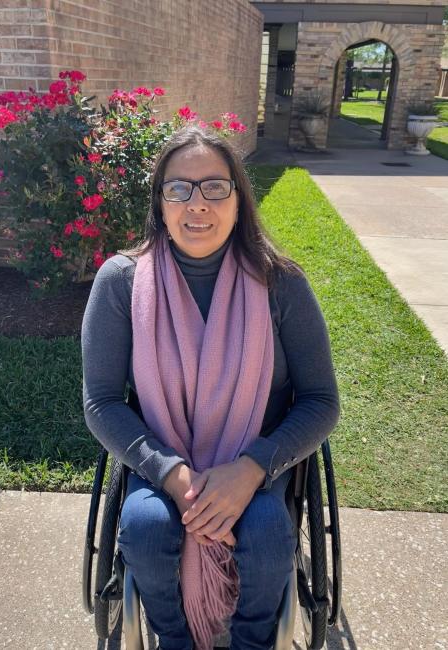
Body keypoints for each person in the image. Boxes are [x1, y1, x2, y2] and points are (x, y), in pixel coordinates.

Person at [81, 125, 340, 650]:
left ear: (239, 201)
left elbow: (321, 400)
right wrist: (174, 477)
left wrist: (250, 470)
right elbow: (102, 402)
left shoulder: (282, 283)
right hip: (162, 458)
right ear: (160, 204)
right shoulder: (121, 283)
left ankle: (252, 642)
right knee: (145, 527)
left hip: (257, 460)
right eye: (179, 188)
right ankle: (175, 638)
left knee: (267, 533)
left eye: (215, 187)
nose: (196, 203)